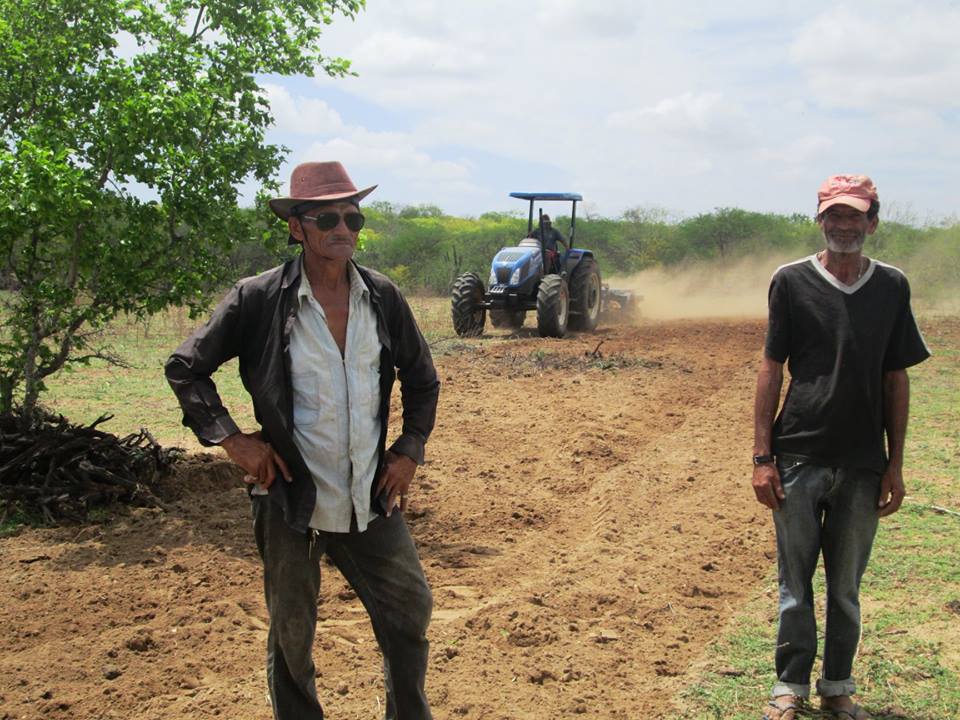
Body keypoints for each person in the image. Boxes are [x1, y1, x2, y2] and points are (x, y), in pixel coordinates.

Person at [165, 161, 440, 720]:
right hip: (290, 496)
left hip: (369, 493)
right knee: (292, 631)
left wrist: (409, 451)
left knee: (410, 609)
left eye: (354, 217)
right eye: (329, 218)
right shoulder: (259, 298)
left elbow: (422, 380)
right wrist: (233, 441)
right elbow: (185, 368)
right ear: (297, 227)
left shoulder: (382, 299)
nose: (345, 229)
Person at [752, 174, 930, 720]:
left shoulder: (892, 287)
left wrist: (894, 464)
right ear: (820, 219)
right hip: (798, 454)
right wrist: (763, 458)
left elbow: (895, 377)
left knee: (846, 587)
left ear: (873, 222)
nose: (844, 225)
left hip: (861, 462)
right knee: (794, 582)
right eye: (834, 214)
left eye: (855, 215)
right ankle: (789, 687)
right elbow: (771, 368)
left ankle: (837, 687)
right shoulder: (790, 280)